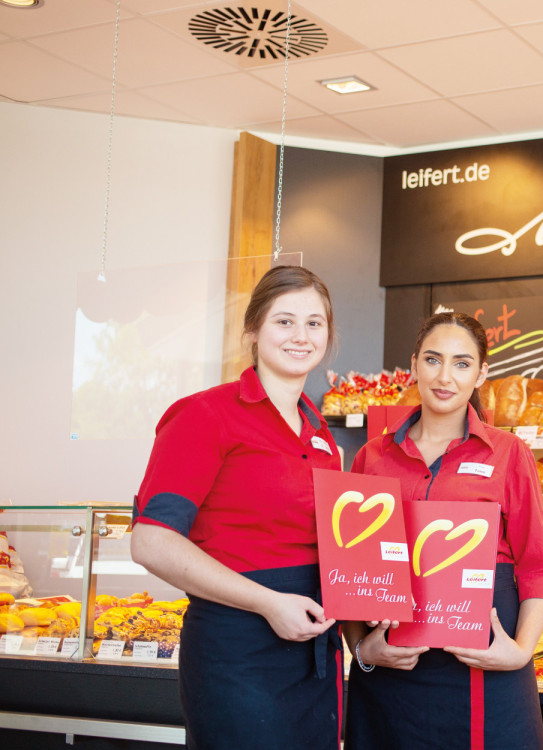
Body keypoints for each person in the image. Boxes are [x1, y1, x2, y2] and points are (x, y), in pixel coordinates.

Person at [130, 265, 342, 750]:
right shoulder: (205, 415)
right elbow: (151, 542)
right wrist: (268, 603)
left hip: (311, 648)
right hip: (237, 651)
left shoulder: (320, 432)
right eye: (284, 321)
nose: (301, 336)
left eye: (315, 323)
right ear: (252, 330)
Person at [344, 312, 543, 750]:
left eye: (462, 363)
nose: (445, 377)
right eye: (432, 359)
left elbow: (538, 567)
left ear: (482, 373)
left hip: (485, 667)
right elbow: (351, 573)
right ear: (414, 365)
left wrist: (519, 652)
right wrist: (361, 649)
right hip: (391, 675)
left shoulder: (509, 454)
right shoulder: (372, 456)